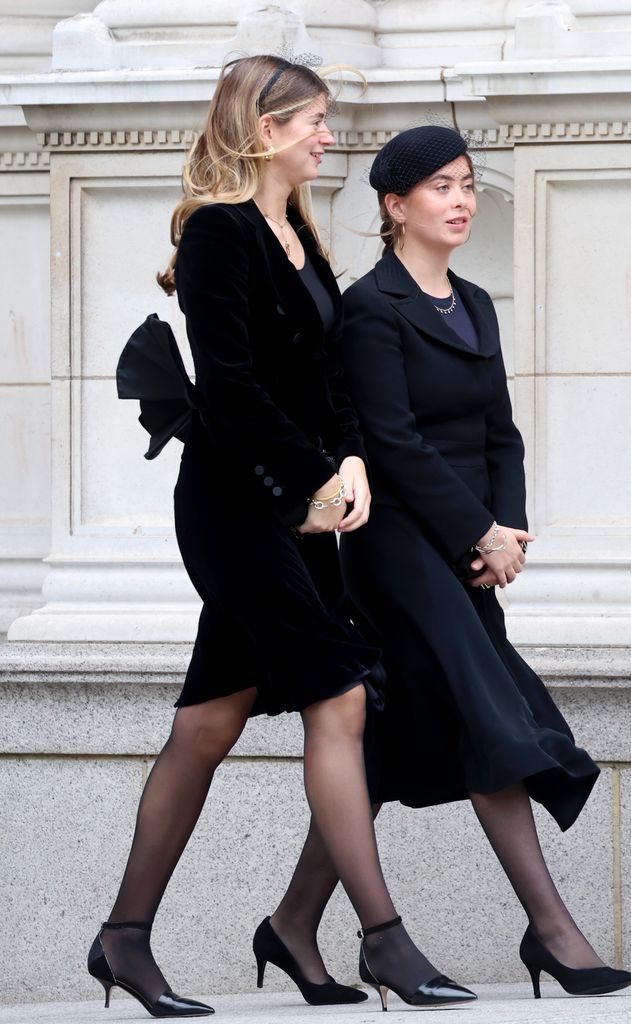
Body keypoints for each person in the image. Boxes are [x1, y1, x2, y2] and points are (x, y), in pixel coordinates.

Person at [87, 62, 476, 1019]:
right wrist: (310, 478)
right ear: (264, 130)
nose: (327, 138)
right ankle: (383, 939)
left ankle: (125, 939)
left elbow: (325, 378)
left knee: (209, 722)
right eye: (313, 122)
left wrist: (349, 462)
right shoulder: (219, 232)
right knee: (340, 697)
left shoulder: (298, 231)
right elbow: (229, 388)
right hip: (234, 507)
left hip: (300, 505)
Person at [265, 125, 631, 1002]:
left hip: (469, 547)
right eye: (439, 187)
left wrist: (506, 529)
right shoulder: (370, 309)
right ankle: (554, 932)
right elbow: (389, 444)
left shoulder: (474, 302)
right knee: (487, 710)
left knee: (388, 742)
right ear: (394, 206)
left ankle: (290, 923)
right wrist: (479, 534)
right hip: (397, 546)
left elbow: (499, 430)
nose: (462, 199)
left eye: (468, 183)